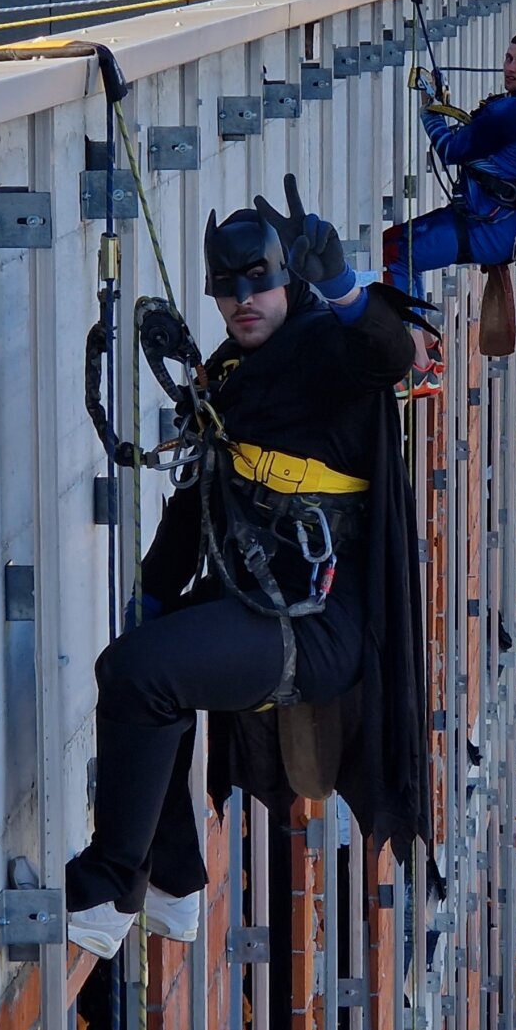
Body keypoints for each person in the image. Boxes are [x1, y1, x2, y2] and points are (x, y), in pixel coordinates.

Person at [64, 179, 429, 959]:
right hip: (264, 597)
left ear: (284, 278)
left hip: (316, 625)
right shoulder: (230, 374)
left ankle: (110, 887)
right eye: (226, 290)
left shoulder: (324, 347)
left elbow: (389, 354)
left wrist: (343, 286)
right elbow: (199, 496)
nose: (243, 300)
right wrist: (157, 596)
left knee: (141, 676)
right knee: (133, 670)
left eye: (258, 281)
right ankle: (173, 882)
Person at [384, 31, 516, 391]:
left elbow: (449, 148)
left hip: (483, 225)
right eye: (509, 58)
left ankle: (416, 364)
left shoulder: (513, 111)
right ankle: (424, 344)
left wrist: (428, 106)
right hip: (501, 229)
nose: (510, 68)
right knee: (404, 250)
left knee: (397, 253)